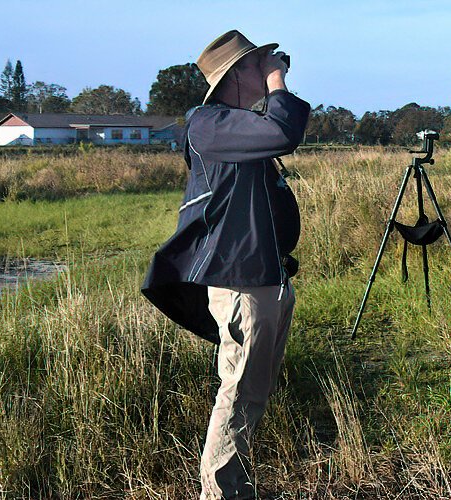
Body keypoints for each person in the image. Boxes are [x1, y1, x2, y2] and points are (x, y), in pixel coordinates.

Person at [140, 30, 308, 499]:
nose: (275, 68)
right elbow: (283, 131)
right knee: (238, 396)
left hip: (263, 277)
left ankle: (234, 487)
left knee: (252, 396)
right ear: (236, 74)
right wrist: (278, 83)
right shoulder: (209, 124)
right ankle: (220, 493)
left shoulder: (232, 126)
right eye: (261, 63)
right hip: (240, 283)